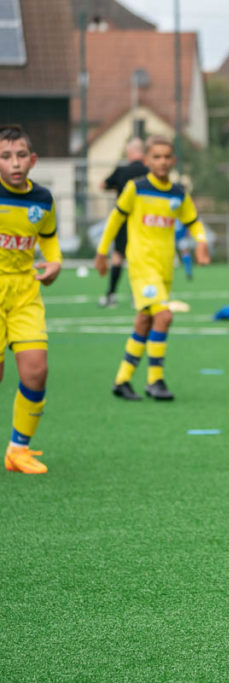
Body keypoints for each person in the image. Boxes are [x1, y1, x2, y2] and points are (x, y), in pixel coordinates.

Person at [95, 135, 210, 401]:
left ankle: (122, 380)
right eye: (156, 157)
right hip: (141, 264)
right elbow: (115, 219)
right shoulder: (136, 188)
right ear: (146, 160)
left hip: (164, 268)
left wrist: (201, 242)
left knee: (145, 321)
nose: (161, 161)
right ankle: (154, 380)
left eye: (166, 156)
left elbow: (193, 221)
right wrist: (102, 251)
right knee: (164, 316)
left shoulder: (178, 193)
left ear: (174, 161)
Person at [0, 125, 62, 474]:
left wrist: (54, 263)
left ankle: (17, 451)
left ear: (33, 159)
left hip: (24, 292)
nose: (14, 163)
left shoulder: (42, 200)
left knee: (36, 371)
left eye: (21, 155)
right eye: (6, 156)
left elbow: (50, 240)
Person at [98, 137, 147, 307]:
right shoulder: (149, 171)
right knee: (140, 258)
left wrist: (117, 187)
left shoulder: (121, 171)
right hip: (144, 221)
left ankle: (111, 295)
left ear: (129, 152)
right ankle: (139, 295)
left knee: (118, 256)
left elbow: (102, 185)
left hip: (124, 219)